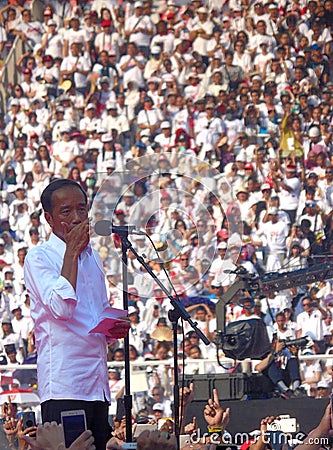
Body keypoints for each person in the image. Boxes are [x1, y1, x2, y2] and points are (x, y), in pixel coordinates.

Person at [24, 179, 130, 450]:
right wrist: (71, 252)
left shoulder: (93, 258)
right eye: (66, 211)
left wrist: (111, 330)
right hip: (65, 385)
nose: (76, 218)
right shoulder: (39, 258)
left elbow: (93, 317)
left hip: (97, 383)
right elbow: (60, 308)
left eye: (82, 210)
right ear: (49, 218)